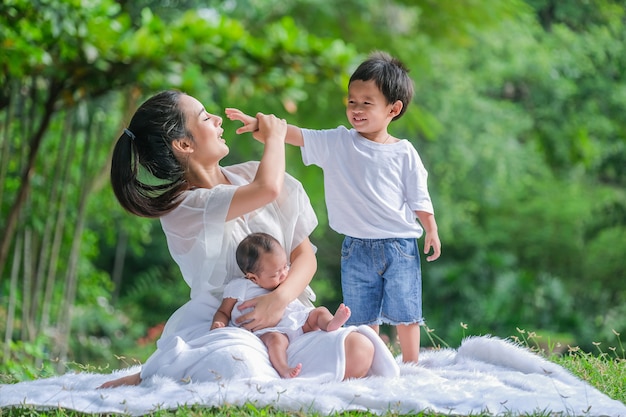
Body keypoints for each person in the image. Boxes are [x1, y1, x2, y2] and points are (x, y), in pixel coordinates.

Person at [100, 89, 398, 388]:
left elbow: (305, 256)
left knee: (361, 350)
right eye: (205, 117)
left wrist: (278, 301)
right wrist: (275, 138)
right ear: (183, 144)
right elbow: (266, 188)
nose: (217, 120)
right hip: (227, 326)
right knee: (238, 367)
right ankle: (180, 368)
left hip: (286, 321)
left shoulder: (252, 174)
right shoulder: (183, 207)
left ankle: (276, 370)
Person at [226, 51, 442, 364]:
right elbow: (297, 135)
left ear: (393, 109)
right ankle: (374, 360)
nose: (356, 109)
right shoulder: (338, 142)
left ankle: (411, 364)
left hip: (400, 245)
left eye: (367, 103)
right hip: (355, 247)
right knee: (362, 312)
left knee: (406, 311)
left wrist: (431, 229)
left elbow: (418, 195)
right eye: (352, 101)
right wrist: (263, 125)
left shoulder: (404, 152)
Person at [212, 232, 351, 378]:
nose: (284, 274)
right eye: (275, 274)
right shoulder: (240, 287)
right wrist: (218, 323)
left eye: (285, 267)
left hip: (296, 320)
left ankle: (330, 324)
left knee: (318, 312)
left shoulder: (286, 278)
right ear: (253, 277)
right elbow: (224, 311)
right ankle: (283, 368)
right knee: (276, 340)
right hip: (269, 330)